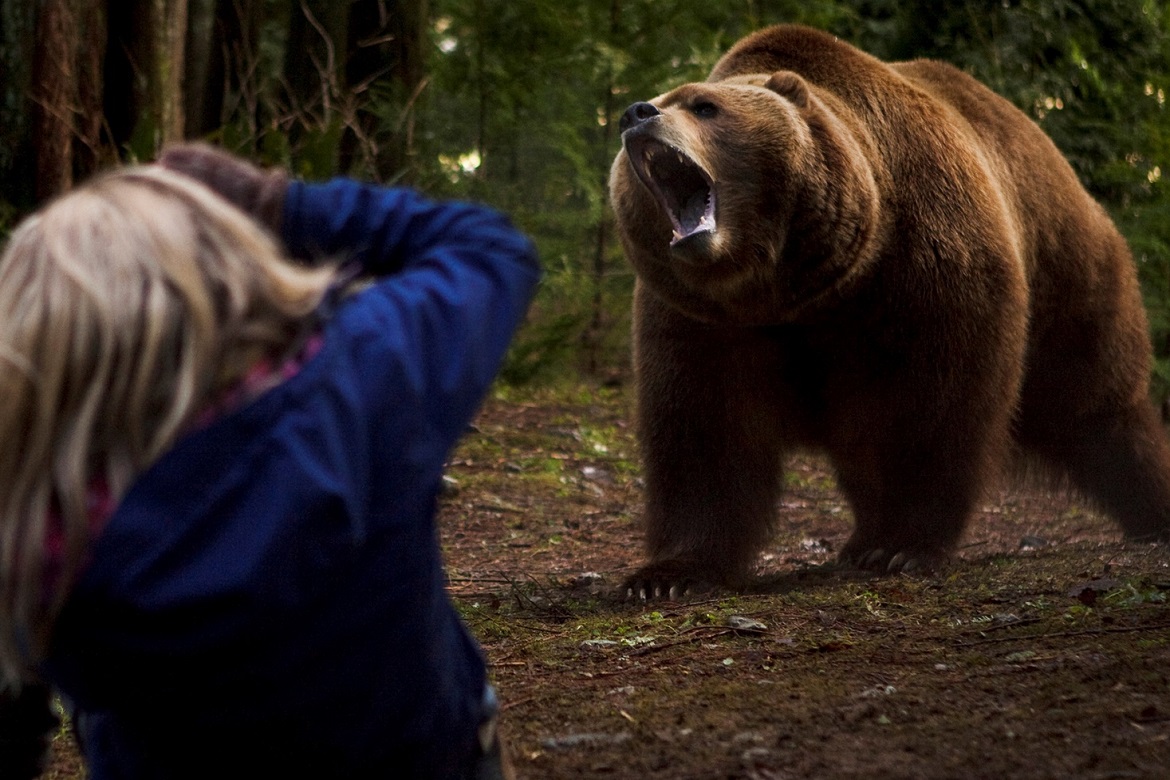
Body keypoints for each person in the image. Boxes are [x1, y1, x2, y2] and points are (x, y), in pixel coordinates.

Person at [0, 144, 540, 779]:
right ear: (232, 274)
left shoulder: (29, 526)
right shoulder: (360, 382)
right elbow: (489, 249)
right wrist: (282, 204)